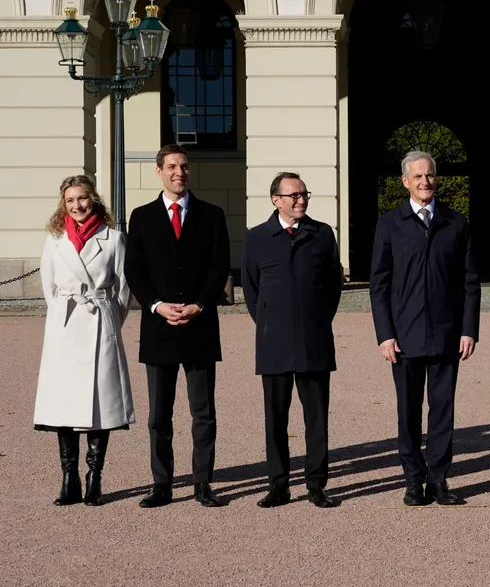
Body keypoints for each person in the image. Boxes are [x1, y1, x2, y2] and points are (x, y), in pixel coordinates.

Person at [369, 150, 480, 506]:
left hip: (447, 333)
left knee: (443, 409)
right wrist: (385, 333)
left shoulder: (456, 222)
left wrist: (469, 329)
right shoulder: (390, 223)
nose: (425, 182)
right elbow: (379, 284)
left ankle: (439, 479)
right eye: (417, 176)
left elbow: (470, 282)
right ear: (405, 182)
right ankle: (413, 480)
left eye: (429, 175)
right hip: (404, 336)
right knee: (409, 410)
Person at [124, 144, 231, 509]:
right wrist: (156, 305)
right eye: (171, 167)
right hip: (159, 327)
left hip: (199, 325)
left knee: (203, 412)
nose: (179, 173)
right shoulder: (141, 217)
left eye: (184, 166)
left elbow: (219, 268)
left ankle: (203, 483)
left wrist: (199, 304)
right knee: (159, 415)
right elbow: (134, 270)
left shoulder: (212, 215)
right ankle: (162, 484)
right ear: (159, 171)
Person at [242, 172, 343, 509]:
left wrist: (316, 319)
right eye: (293, 195)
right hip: (274, 343)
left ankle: (316, 485)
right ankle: (279, 485)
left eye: (304, 194)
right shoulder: (257, 238)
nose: (301, 200)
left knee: (316, 419)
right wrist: (269, 322)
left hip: (314, 340)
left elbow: (333, 286)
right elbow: (252, 290)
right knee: (276, 419)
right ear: (276, 200)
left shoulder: (322, 234)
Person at [33, 175, 135, 506]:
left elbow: (124, 286)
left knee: (100, 403)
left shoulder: (114, 238)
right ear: (63, 205)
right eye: (70, 200)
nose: (77, 205)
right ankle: (68, 479)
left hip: (98, 321)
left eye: (82, 198)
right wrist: (62, 316)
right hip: (65, 325)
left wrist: (109, 318)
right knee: (64, 404)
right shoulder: (54, 239)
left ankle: (94, 478)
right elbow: (48, 287)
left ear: (93, 199)